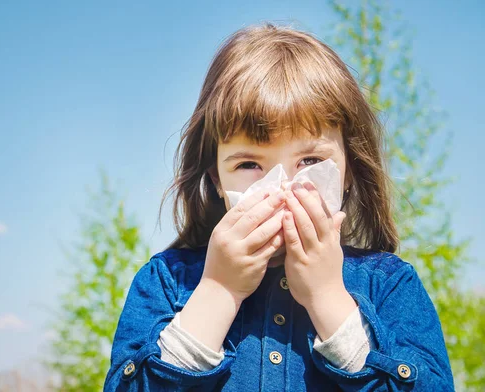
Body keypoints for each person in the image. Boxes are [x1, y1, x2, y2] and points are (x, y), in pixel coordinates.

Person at [103, 22, 454, 391]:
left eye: (310, 161)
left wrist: (327, 298)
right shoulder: (165, 283)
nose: (283, 187)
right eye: (248, 165)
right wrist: (219, 290)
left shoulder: (390, 285)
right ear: (217, 179)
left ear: (349, 169)